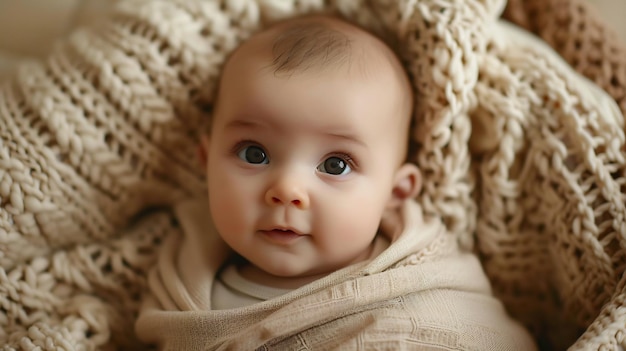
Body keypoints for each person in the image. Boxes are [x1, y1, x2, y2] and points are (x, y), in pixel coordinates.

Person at [135, 14, 537, 350]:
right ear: (206, 165)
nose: (287, 191)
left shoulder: (424, 296)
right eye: (253, 154)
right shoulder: (181, 286)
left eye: (335, 164)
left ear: (394, 194)